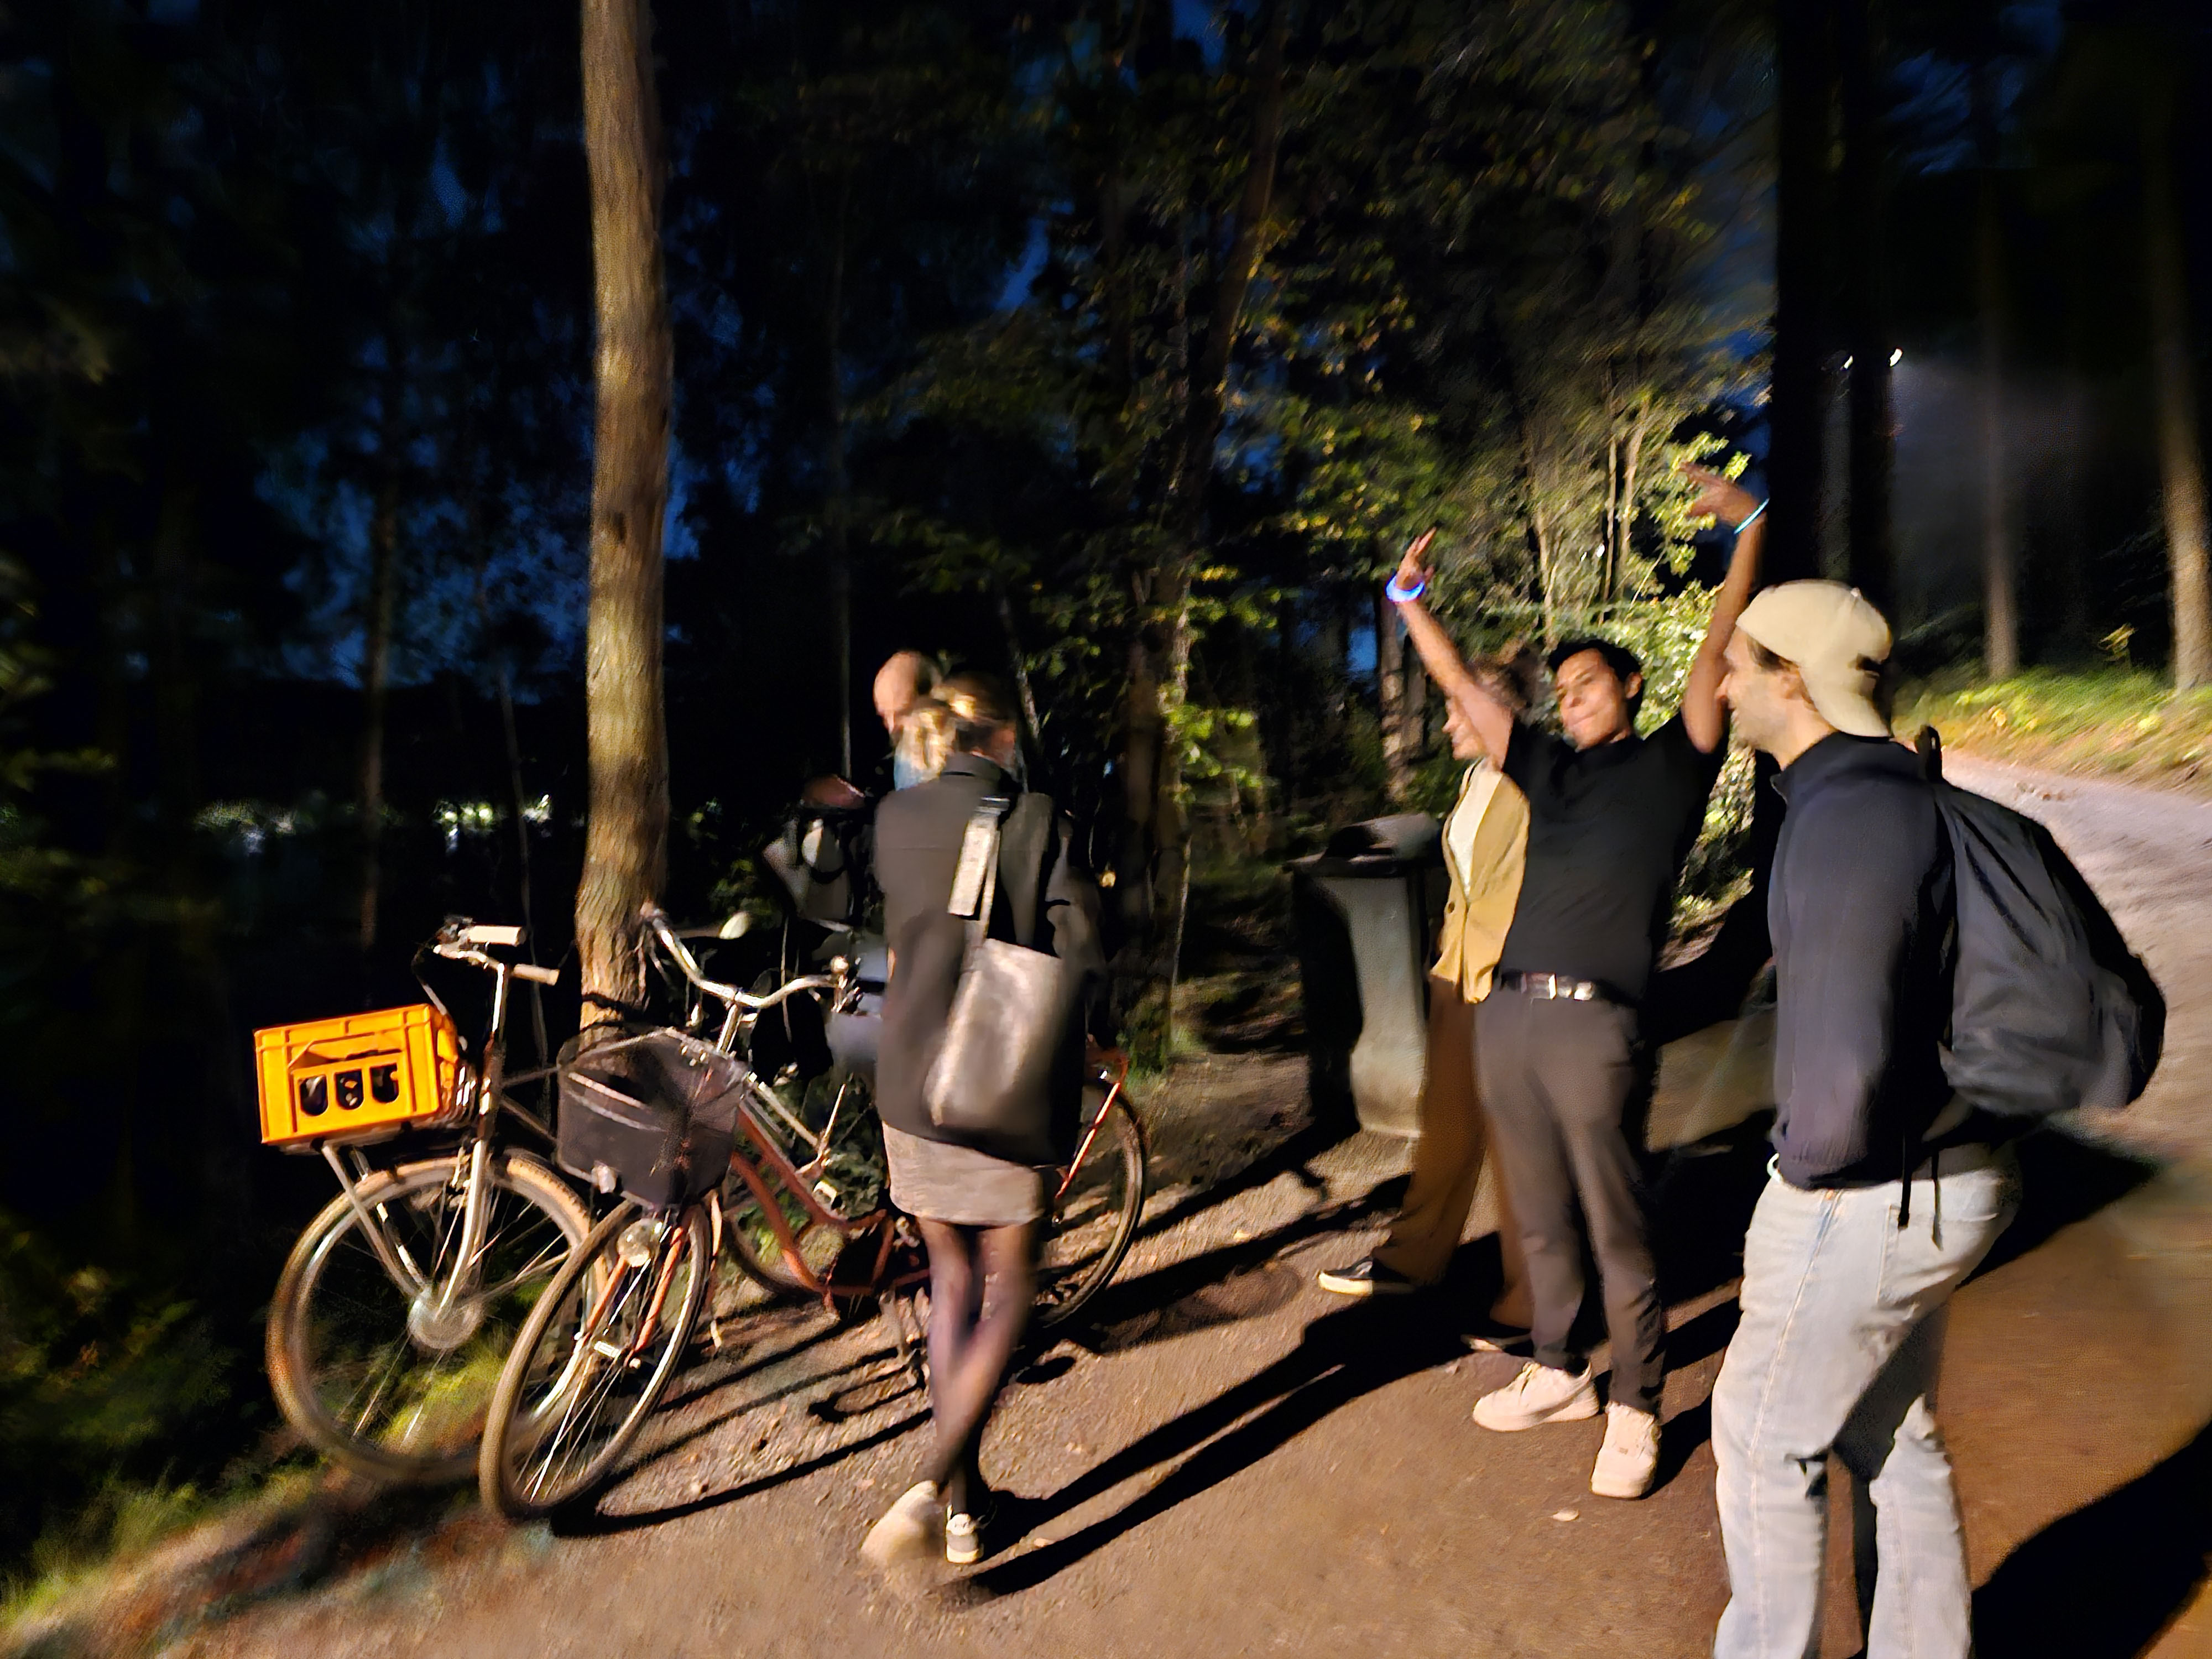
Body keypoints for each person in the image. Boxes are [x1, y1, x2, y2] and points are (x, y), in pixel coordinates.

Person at [1385, 466, 1765, 1501]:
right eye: (1562, 690)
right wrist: (1410, 603)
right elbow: (1461, 686)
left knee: (1616, 1222)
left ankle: (1638, 1406)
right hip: (1507, 1012)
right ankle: (1559, 1373)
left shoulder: (1678, 760)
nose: (1571, 695)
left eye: (1588, 682)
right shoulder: (1547, 769)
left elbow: (1723, 639)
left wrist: (1750, 530)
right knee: (1539, 1213)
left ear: (1633, 688)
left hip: (1599, 1027)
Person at [1708, 582, 2018, 1658]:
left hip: (1865, 1192)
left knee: (1757, 1436)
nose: (1721, 680)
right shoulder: (1893, 792)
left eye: (1739, 663)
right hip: (1947, 1169)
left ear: (1789, 679)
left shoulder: (1841, 818)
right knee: (1890, 1433)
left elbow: (1840, 1056)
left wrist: (1796, 1189)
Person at [860, 671, 1106, 1571]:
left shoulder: (897, 819)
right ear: (1002, 739)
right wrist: (1089, 1044)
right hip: (995, 1083)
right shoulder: (1039, 818)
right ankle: (931, 1486)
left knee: (950, 1283)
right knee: (1009, 1284)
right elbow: (1081, 955)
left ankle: (968, 1510)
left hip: (909, 1086)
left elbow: (898, 937)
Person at [1314, 649, 1536, 1329]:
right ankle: (1411, 1260)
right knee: (1444, 1126)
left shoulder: (1534, 780)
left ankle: (1532, 1300)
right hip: (1456, 976)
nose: (1444, 726)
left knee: (1517, 1142)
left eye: (1453, 709)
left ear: (1493, 709)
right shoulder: (1474, 781)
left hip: (1509, 981)